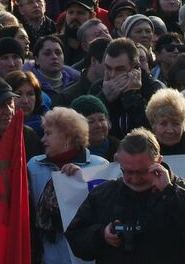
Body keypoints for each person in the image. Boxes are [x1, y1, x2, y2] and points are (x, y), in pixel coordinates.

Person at [65, 128, 185, 263]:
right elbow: (76, 239)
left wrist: (170, 192)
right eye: (128, 172)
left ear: (158, 161)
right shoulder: (103, 194)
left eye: (142, 171)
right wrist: (102, 235)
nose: (135, 179)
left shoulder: (180, 190)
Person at [27, 108, 108, 264]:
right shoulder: (33, 166)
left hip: (87, 257)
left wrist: (81, 180)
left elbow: (104, 212)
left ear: (67, 137)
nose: (43, 140)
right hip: (49, 256)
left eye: (48, 133)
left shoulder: (99, 165)